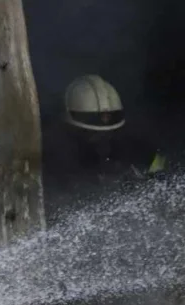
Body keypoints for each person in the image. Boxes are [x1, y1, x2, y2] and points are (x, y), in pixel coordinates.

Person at [42, 74, 166, 206]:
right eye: (91, 133)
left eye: (108, 133)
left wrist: (152, 179)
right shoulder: (54, 154)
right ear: (71, 127)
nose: (101, 138)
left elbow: (157, 163)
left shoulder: (133, 142)